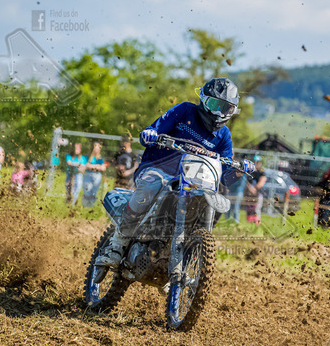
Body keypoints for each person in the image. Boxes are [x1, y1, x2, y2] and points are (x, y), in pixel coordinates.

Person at [95, 77, 254, 267]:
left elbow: (225, 178)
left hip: (194, 182)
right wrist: (151, 134)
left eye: (226, 108)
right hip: (157, 168)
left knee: (215, 200)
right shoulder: (185, 110)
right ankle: (117, 244)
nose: (219, 113)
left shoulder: (224, 135)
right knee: (151, 186)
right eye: (215, 105)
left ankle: (189, 254)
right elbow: (153, 129)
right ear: (204, 99)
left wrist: (239, 172)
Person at [244, 155, 267, 225]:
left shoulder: (262, 172)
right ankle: (249, 223)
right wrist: (250, 188)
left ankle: (257, 223)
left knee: (257, 208)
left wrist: (254, 188)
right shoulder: (250, 171)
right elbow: (246, 182)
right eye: (256, 162)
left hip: (258, 193)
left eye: (258, 162)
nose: (257, 163)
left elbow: (262, 182)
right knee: (249, 208)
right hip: (249, 193)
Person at [83, 141, 107, 207]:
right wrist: (97, 166)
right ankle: (85, 205)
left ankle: (91, 205)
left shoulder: (100, 158)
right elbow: (86, 165)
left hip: (97, 175)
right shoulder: (88, 157)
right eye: (95, 146)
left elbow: (103, 168)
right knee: (87, 189)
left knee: (94, 191)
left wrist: (93, 166)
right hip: (88, 174)